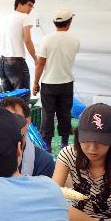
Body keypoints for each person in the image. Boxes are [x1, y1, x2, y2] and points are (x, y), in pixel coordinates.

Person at [33, 8, 79, 149]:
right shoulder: (75, 40)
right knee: (65, 113)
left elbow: (41, 63)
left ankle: (47, 144)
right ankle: (64, 143)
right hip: (66, 82)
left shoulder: (47, 39)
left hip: (49, 82)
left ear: (54, 23)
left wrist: (35, 83)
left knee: (47, 113)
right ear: (69, 22)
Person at [0, 0, 36, 99]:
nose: (31, 8)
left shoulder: (5, 19)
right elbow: (27, 40)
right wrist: (36, 59)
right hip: (16, 62)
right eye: (29, 5)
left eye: (32, 6)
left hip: (2, 64)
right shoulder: (25, 17)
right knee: (22, 99)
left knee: (9, 100)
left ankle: (8, 116)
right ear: (20, 4)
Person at [0, 96, 55, 177]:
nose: (9, 125)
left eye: (16, 119)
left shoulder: (44, 161)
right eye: (3, 120)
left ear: (28, 122)